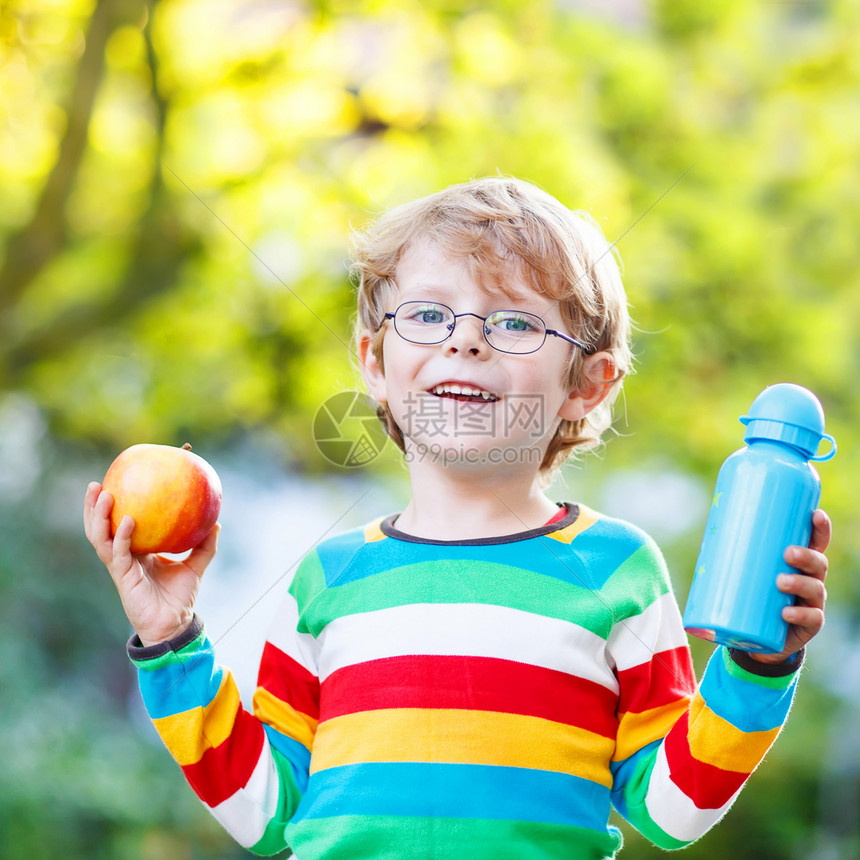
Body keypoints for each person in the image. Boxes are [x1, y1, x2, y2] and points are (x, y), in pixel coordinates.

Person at [83, 177, 831, 859]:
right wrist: (171, 638)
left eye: (513, 323)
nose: (464, 338)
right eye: (431, 313)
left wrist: (760, 665)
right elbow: (265, 810)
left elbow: (673, 810)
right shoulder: (328, 576)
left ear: (589, 385)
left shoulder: (614, 569)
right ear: (376, 362)